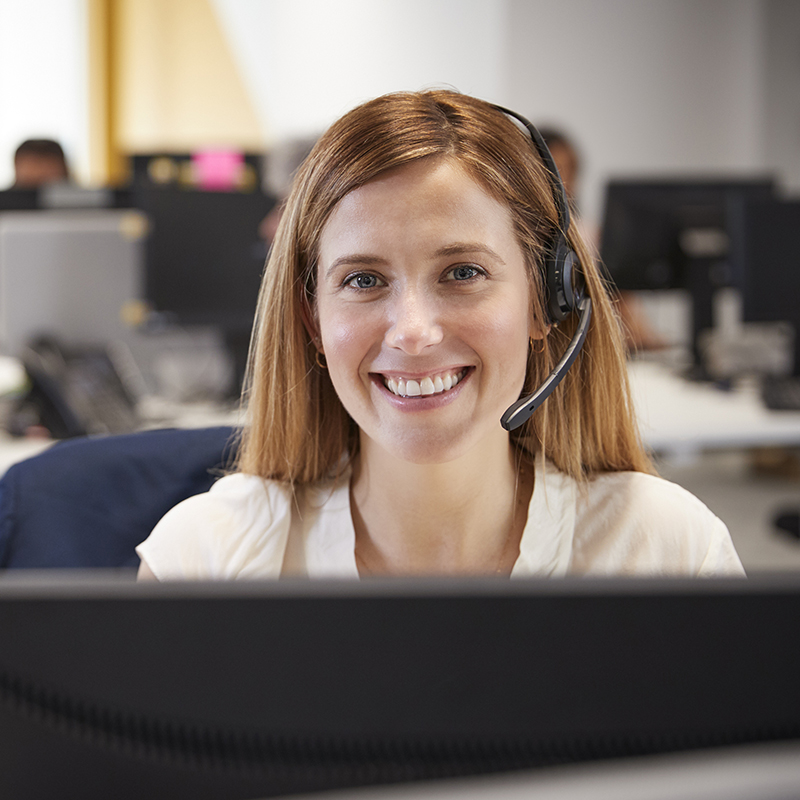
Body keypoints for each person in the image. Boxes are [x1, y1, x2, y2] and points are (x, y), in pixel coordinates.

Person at [136, 90, 743, 580]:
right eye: (365, 279)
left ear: (545, 300)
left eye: (463, 272)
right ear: (311, 319)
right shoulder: (202, 563)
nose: (414, 332)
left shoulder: (669, 555)